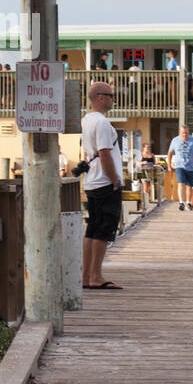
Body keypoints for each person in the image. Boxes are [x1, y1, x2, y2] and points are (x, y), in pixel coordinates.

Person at [79, 81, 123, 289]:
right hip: (105, 182)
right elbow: (105, 153)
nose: (114, 99)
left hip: (92, 181)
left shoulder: (87, 119)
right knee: (104, 230)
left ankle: (86, 275)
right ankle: (96, 276)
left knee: (93, 228)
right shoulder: (103, 123)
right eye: (111, 95)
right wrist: (115, 180)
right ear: (100, 97)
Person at [167, 125, 193, 211]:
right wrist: (169, 165)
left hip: (191, 165)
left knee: (189, 185)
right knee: (181, 183)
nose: (185, 134)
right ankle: (181, 202)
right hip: (179, 165)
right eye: (183, 133)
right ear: (179, 132)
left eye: (186, 133)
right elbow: (170, 153)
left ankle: (188, 202)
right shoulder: (175, 140)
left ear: (189, 132)